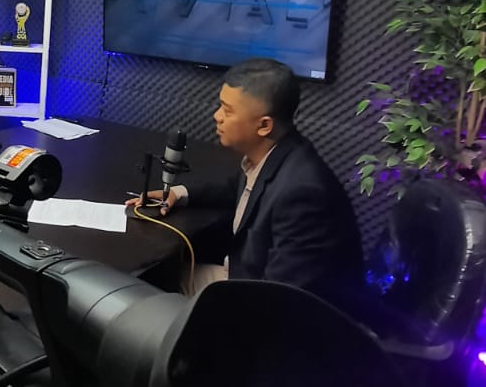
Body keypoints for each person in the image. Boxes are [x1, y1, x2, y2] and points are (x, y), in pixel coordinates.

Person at [129, 57, 363, 308]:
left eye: (227, 110)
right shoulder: (277, 154)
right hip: (247, 280)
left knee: (141, 284)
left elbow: (280, 301)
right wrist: (180, 193)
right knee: (155, 273)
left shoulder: (304, 194)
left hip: (262, 306)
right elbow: (238, 190)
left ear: (264, 126)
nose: (217, 116)